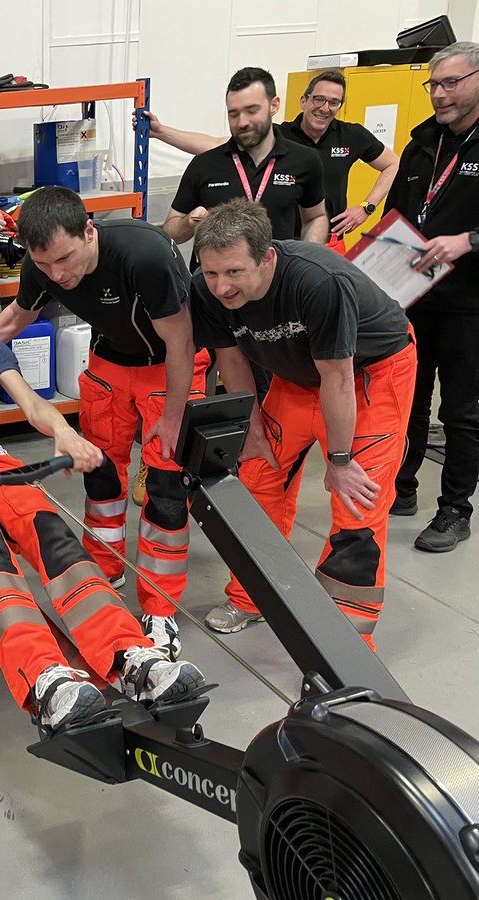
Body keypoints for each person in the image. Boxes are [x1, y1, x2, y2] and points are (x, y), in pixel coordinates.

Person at [0, 274, 206, 732]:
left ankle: (128, 655)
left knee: (55, 537)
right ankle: (45, 679)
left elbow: (31, 404)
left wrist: (65, 432)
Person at [0, 187, 209, 660]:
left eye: (65, 259)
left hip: (168, 367)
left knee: (167, 494)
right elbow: (12, 321)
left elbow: (182, 343)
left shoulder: (143, 254)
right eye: (45, 266)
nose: (58, 276)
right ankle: (105, 574)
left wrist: (172, 417)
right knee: (101, 476)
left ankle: (160, 609)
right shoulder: (41, 264)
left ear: (89, 231)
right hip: (109, 366)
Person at [189, 199, 415, 644]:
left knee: (357, 499)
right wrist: (251, 427)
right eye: (212, 272)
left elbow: (338, 377)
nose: (221, 287)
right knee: (257, 478)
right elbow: (230, 360)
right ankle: (253, 598)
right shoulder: (205, 289)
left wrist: (341, 459)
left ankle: (347, 638)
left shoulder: (317, 281)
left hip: (370, 373)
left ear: (267, 256)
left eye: (234, 272)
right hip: (295, 377)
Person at [385, 41, 479, 553]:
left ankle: (454, 511)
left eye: (451, 83)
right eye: (434, 84)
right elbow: (400, 214)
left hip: (469, 304)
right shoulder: (423, 143)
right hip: (414, 297)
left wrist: (469, 241)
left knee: (462, 412)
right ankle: (402, 488)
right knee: (409, 401)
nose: (439, 94)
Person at [146, 70, 398, 238]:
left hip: (324, 239)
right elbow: (214, 144)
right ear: (304, 100)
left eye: (333, 102)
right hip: (270, 239)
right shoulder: (278, 136)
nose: (324, 108)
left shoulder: (352, 136)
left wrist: (366, 207)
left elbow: (392, 163)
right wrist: (161, 132)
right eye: (318, 99)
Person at [163, 67, 329, 249]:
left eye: (251, 111)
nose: (242, 122)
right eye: (233, 114)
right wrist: (189, 222)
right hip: (215, 276)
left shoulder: (304, 160)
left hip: (277, 275)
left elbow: (315, 217)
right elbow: (170, 231)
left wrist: (304, 259)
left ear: (274, 105)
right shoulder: (204, 164)